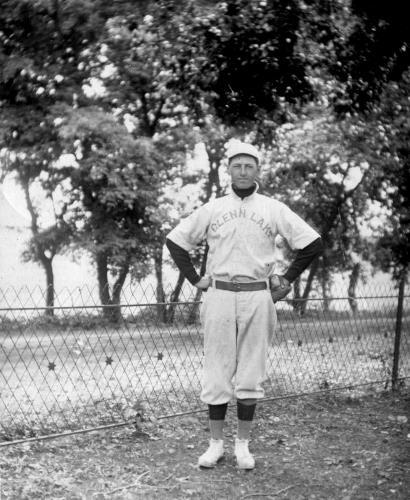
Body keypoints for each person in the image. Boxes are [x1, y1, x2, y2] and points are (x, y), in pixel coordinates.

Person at [166, 141, 323, 470]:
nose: (242, 171)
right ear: (228, 170)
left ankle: (243, 446)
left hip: (257, 294)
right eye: (236, 166)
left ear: (258, 171)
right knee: (216, 371)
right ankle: (215, 445)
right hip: (220, 293)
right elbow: (176, 240)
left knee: (251, 372)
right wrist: (195, 279)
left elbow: (312, 242)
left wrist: (288, 277)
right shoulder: (213, 208)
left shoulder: (272, 208)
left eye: (248, 166)